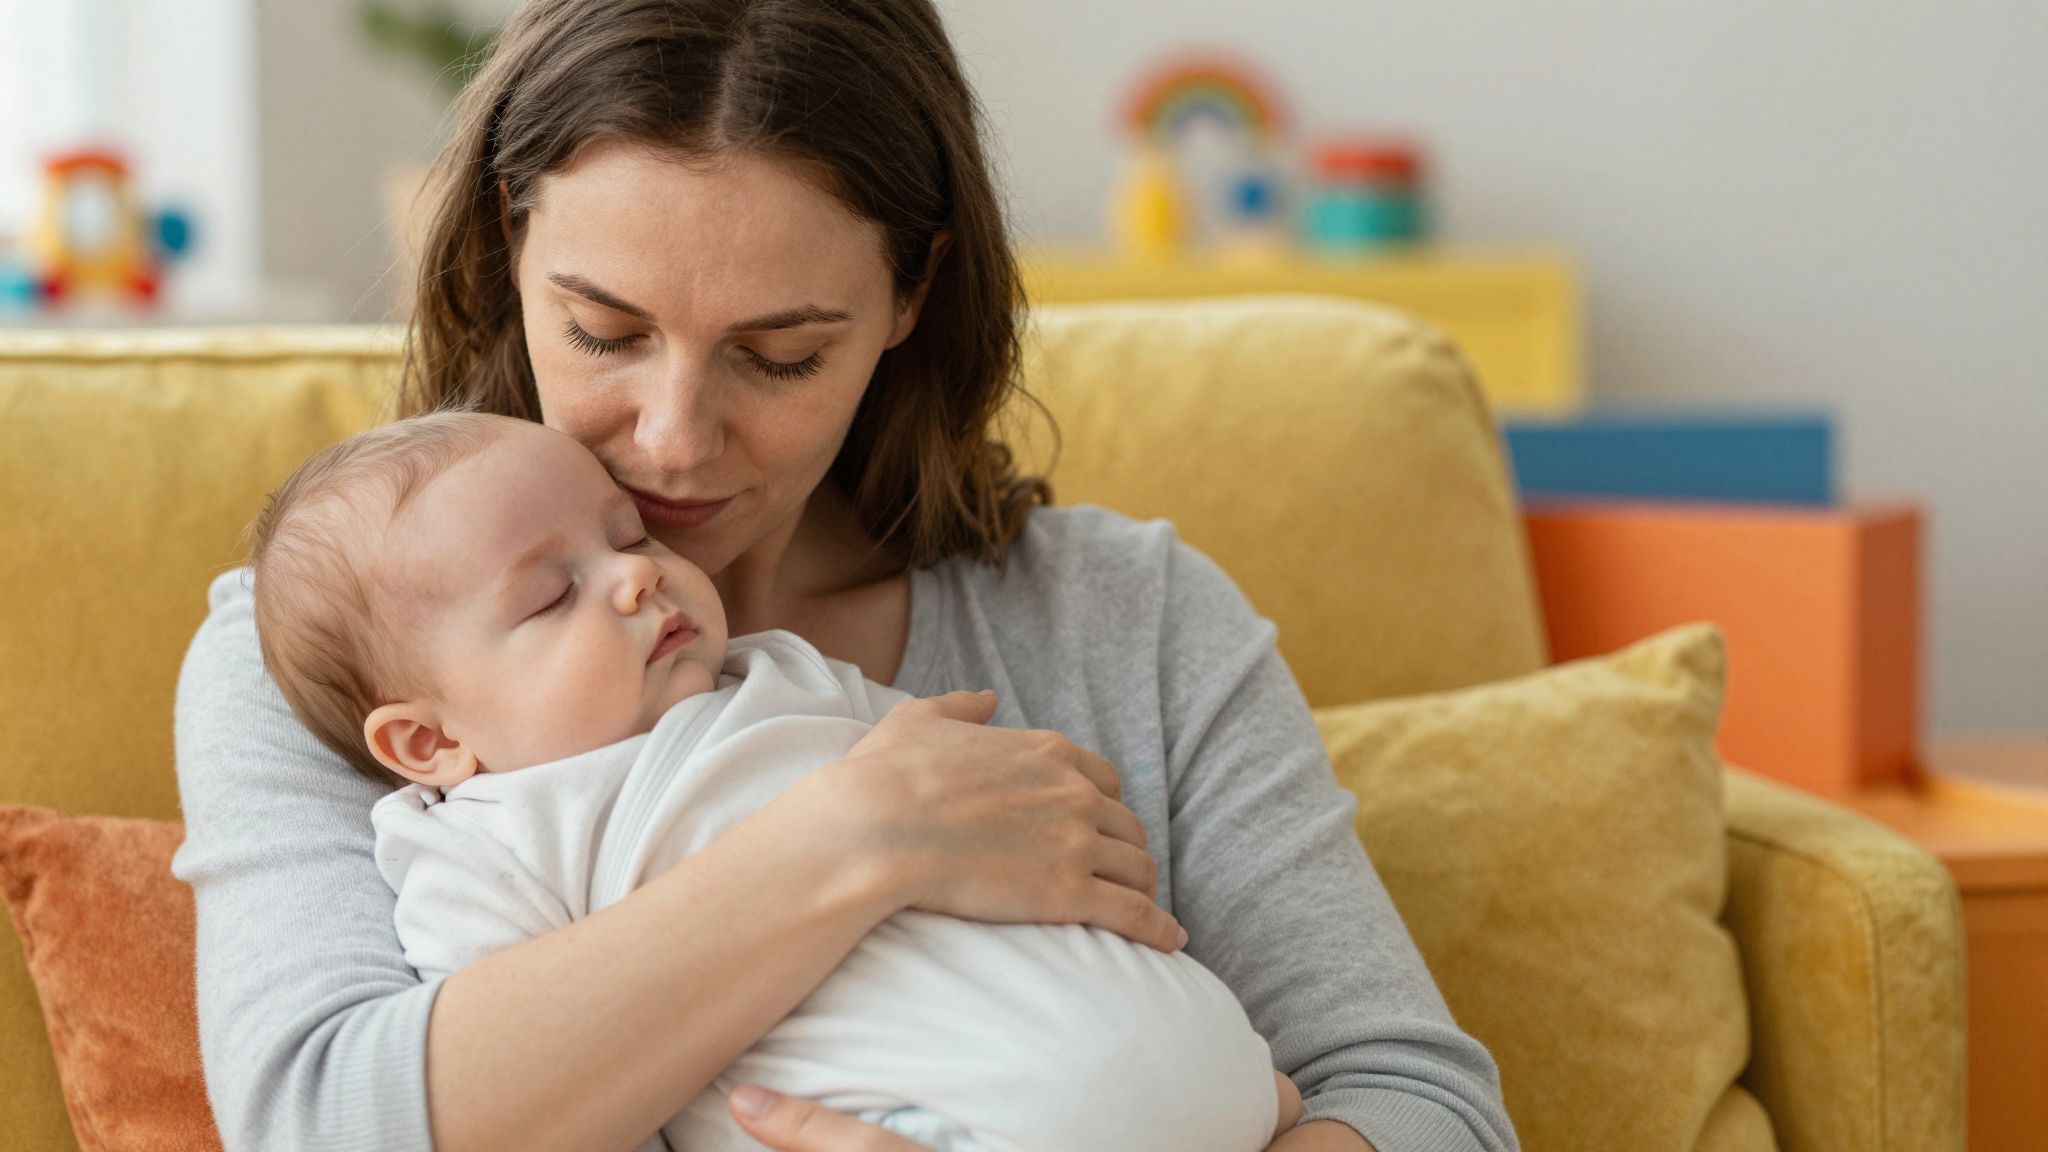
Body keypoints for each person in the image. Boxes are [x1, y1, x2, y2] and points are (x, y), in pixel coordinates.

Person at [170, 1, 1522, 1150]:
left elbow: (1422, 1104)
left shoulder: (1125, 622)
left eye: (782, 354)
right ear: (507, 244)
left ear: (913, 297)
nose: (674, 438)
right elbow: (323, 1118)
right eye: (603, 330)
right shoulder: (339, 654)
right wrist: (863, 839)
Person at [243, 409, 1303, 1152]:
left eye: (624, 534)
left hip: (1220, 1077)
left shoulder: (778, 668)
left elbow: (1001, 802)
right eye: (549, 597)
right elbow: (517, 1095)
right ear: (428, 744)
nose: (634, 575)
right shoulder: (484, 840)